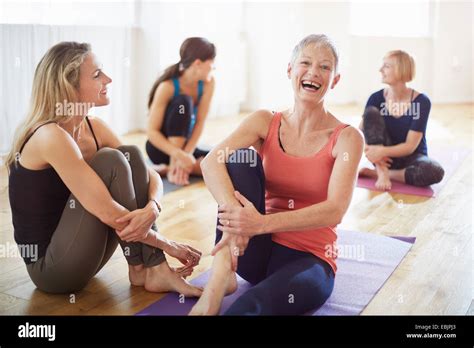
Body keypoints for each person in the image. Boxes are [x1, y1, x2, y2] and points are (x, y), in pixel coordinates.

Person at [6, 42, 203, 296]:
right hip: (52, 269)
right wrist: (168, 245)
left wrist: (154, 207)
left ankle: (141, 269)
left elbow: (150, 173)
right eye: (97, 74)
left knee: (129, 155)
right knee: (110, 160)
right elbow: (110, 213)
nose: (108, 79)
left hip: (84, 251)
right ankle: (156, 268)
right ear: (69, 85)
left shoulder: (94, 128)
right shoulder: (49, 135)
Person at [189, 34, 364, 315]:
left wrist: (258, 224)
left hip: (310, 259)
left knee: (249, 308)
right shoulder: (264, 121)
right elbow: (211, 162)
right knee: (240, 157)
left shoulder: (347, 138)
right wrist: (241, 220)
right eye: (305, 63)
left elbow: (335, 211)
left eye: (324, 67)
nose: (313, 72)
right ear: (290, 70)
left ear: (336, 79)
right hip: (254, 251)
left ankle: (230, 279)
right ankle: (221, 272)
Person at [359, 50, 444, 190]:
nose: (380, 70)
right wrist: (371, 151)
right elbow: (360, 133)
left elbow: (410, 146)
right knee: (371, 113)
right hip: (383, 160)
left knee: (435, 171)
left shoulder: (421, 102)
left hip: (412, 158)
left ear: (400, 69)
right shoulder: (375, 98)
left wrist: (380, 152)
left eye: (386, 66)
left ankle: (379, 173)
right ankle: (381, 172)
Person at [146, 37, 216, 186]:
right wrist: (179, 155)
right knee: (184, 102)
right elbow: (152, 132)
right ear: (198, 63)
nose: (213, 67)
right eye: (211, 63)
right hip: (161, 149)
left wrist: (187, 154)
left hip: (187, 146)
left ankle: (168, 169)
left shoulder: (208, 84)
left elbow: (200, 122)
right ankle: (176, 165)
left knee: (220, 162)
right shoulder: (168, 86)